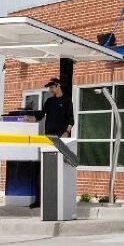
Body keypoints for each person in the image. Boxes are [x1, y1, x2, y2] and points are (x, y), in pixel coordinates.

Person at [28, 77, 74, 208]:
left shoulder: (67, 101)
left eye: (51, 87)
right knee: (43, 168)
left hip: (61, 137)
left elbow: (71, 120)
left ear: (57, 86)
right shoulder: (49, 101)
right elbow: (41, 115)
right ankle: (39, 200)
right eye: (49, 88)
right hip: (48, 137)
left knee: (59, 168)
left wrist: (66, 133)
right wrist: (32, 118)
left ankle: (58, 200)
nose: (49, 90)